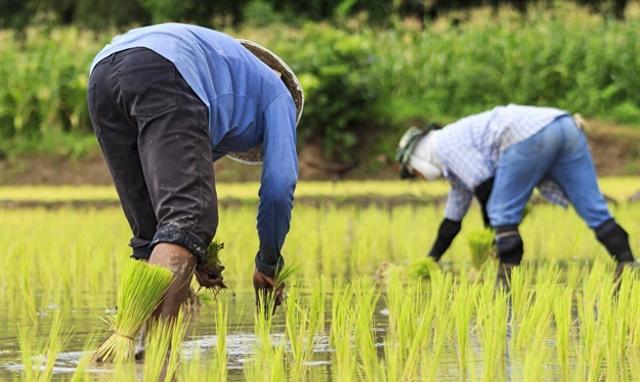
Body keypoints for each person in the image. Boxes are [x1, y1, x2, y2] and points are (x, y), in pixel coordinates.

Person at [87, 23, 304, 316]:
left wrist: (197, 254)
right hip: (165, 68)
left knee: (153, 232)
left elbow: (173, 183)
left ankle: (129, 349)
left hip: (102, 75)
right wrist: (268, 263)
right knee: (187, 221)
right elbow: (280, 185)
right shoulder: (279, 94)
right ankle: (154, 351)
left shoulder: (224, 77)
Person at [396, 104, 637, 282]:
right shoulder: (454, 168)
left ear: (418, 158)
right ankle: (628, 262)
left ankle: (507, 277)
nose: (417, 177)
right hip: (564, 126)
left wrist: (494, 240)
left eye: (414, 172)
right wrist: (431, 260)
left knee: (501, 212)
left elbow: (487, 189)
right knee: (593, 208)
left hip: (528, 136)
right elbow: (452, 220)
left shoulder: (445, 145)